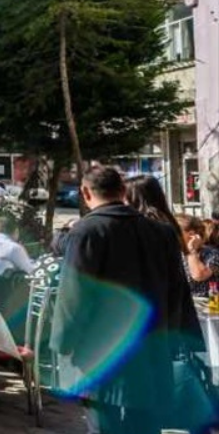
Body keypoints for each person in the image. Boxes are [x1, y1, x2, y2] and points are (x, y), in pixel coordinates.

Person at [52, 166, 204, 434]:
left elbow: (73, 295)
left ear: (85, 193)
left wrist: (61, 342)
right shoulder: (162, 232)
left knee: (104, 426)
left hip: (100, 354)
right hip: (152, 348)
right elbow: (177, 291)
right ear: (123, 192)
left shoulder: (87, 231)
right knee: (146, 425)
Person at [125, 175, 184, 242]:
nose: (124, 202)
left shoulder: (144, 223)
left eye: (126, 197)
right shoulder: (167, 219)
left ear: (135, 198)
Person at [178, 214, 219, 297]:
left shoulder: (212, 253)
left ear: (191, 234)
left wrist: (192, 251)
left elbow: (199, 275)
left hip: (204, 305)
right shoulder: (174, 252)